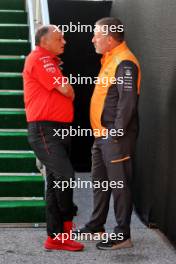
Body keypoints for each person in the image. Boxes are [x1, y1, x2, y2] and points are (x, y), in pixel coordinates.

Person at [76, 17, 141, 250]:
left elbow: (127, 104)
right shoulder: (110, 59)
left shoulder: (124, 63)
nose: (92, 38)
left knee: (119, 186)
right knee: (100, 183)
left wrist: (115, 134)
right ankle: (96, 225)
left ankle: (123, 235)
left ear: (110, 39)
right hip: (101, 137)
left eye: (97, 34)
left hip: (115, 139)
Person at [23, 25, 84, 251]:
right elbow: (67, 91)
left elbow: (66, 91)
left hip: (56, 129)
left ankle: (55, 237)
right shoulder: (41, 58)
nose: (64, 42)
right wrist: (67, 89)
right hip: (45, 130)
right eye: (59, 38)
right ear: (44, 41)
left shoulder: (49, 60)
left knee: (55, 182)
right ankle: (65, 230)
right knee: (65, 175)